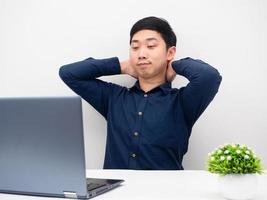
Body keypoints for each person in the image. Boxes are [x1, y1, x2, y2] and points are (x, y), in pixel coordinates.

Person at [59, 16, 222, 170]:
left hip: (166, 191)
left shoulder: (182, 102)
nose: (141, 54)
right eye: (135, 47)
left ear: (170, 52)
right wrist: (121, 66)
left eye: (151, 46)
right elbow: (69, 73)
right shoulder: (113, 97)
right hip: (116, 193)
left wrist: (175, 66)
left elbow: (209, 77)